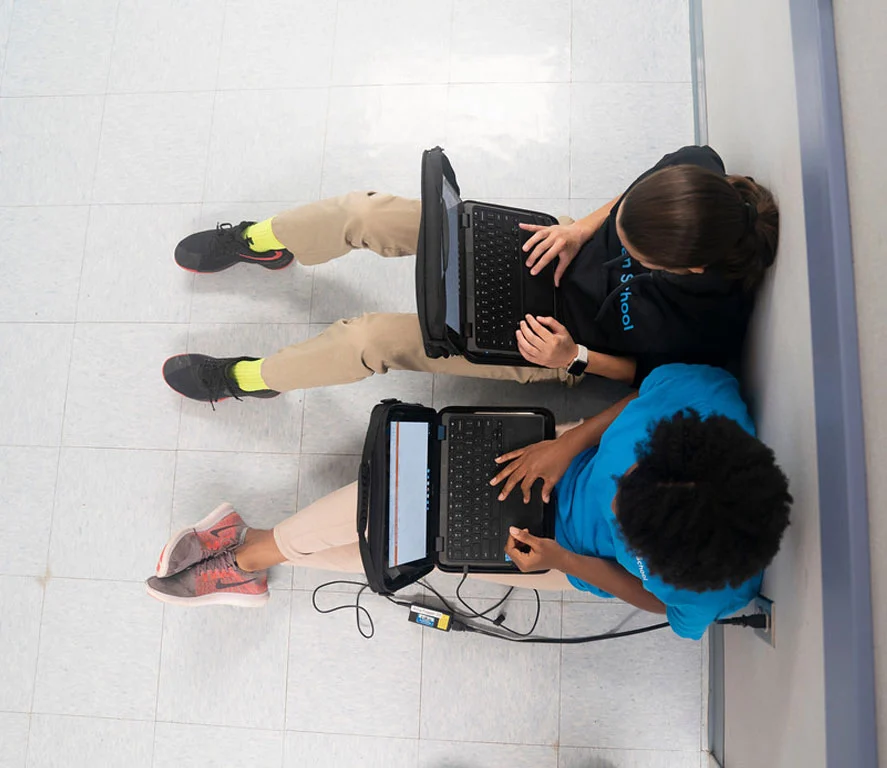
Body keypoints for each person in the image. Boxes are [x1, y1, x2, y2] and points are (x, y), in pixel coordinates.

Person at [147, 364, 792, 640]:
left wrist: (566, 559)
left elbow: (653, 599)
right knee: (393, 508)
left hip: (555, 557)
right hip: (546, 459)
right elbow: (636, 399)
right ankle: (254, 549)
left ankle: (251, 556)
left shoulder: (716, 587)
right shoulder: (702, 399)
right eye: (628, 490)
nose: (616, 509)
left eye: (632, 533)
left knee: (403, 553)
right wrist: (568, 449)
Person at [161, 146, 779, 404]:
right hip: (547, 245)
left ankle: (245, 380)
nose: (628, 249)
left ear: (688, 267)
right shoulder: (700, 170)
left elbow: (647, 377)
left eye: (639, 255)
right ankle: (262, 242)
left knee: (368, 341)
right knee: (365, 212)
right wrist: (586, 228)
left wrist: (575, 357)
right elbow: (631, 202)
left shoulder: (711, 329)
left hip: (551, 338)